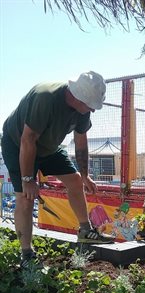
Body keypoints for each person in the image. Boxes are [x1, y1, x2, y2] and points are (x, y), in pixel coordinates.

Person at [1, 70, 114, 267]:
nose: (93, 110)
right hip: (18, 144)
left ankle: (86, 231)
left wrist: (86, 175)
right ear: (77, 97)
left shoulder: (82, 111)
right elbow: (28, 139)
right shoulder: (45, 98)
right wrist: (28, 180)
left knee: (76, 181)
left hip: (48, 147)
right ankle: (26, 254)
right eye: (91, 105)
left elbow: (81, 142)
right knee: (25, 198)